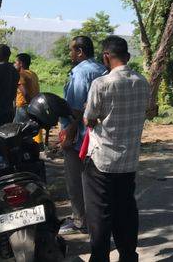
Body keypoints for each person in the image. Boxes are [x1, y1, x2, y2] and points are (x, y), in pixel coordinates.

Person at [83, 36, 149, 262]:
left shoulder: (101, 84)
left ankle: (99, 258)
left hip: (102, 160)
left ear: (106, 57)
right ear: (128, 57)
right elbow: (146, 112)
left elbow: (89, 120)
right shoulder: (142, 82)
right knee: (126, 211)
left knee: (100, 213)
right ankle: (128, 256)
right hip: (129, 161)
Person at [59, 36, 107, 235]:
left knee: (76, 180)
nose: (70, 54)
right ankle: (96, 218)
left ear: (80, 51)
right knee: (93, 181)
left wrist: (68, 133)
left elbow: (76, 110)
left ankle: (80, 221)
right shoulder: (102, 69)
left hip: (79, 136)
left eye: (72, 50)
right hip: (98, 136)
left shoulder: (81, 72)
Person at [14, 53, 40, 122]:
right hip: (34, 105)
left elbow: (25, 93)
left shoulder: (21, 75)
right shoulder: (33, 74)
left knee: (17, 129)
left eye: (15, 62)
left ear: (21, 63)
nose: (14, 64)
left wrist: (29, 106)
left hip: (23, 107)